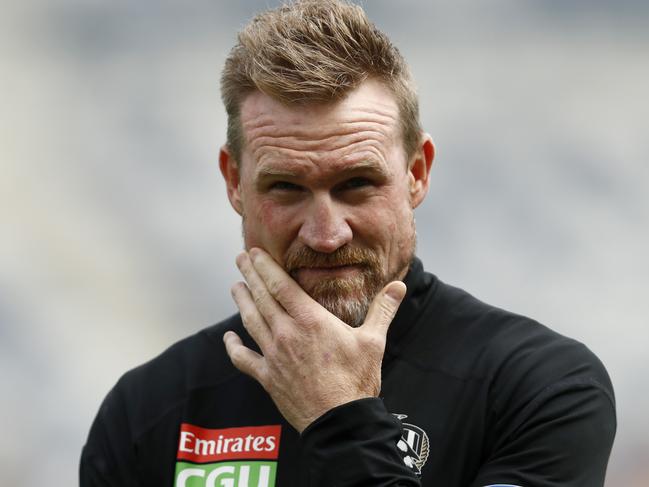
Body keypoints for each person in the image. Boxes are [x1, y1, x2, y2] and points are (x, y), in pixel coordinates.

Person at [80, 1, 616, 486]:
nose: (327, 233)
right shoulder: (147, 411)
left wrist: (340, 417)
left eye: (356, 184)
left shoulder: (541, 388)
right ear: (233, 181)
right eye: (286, 187)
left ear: (417, 173)